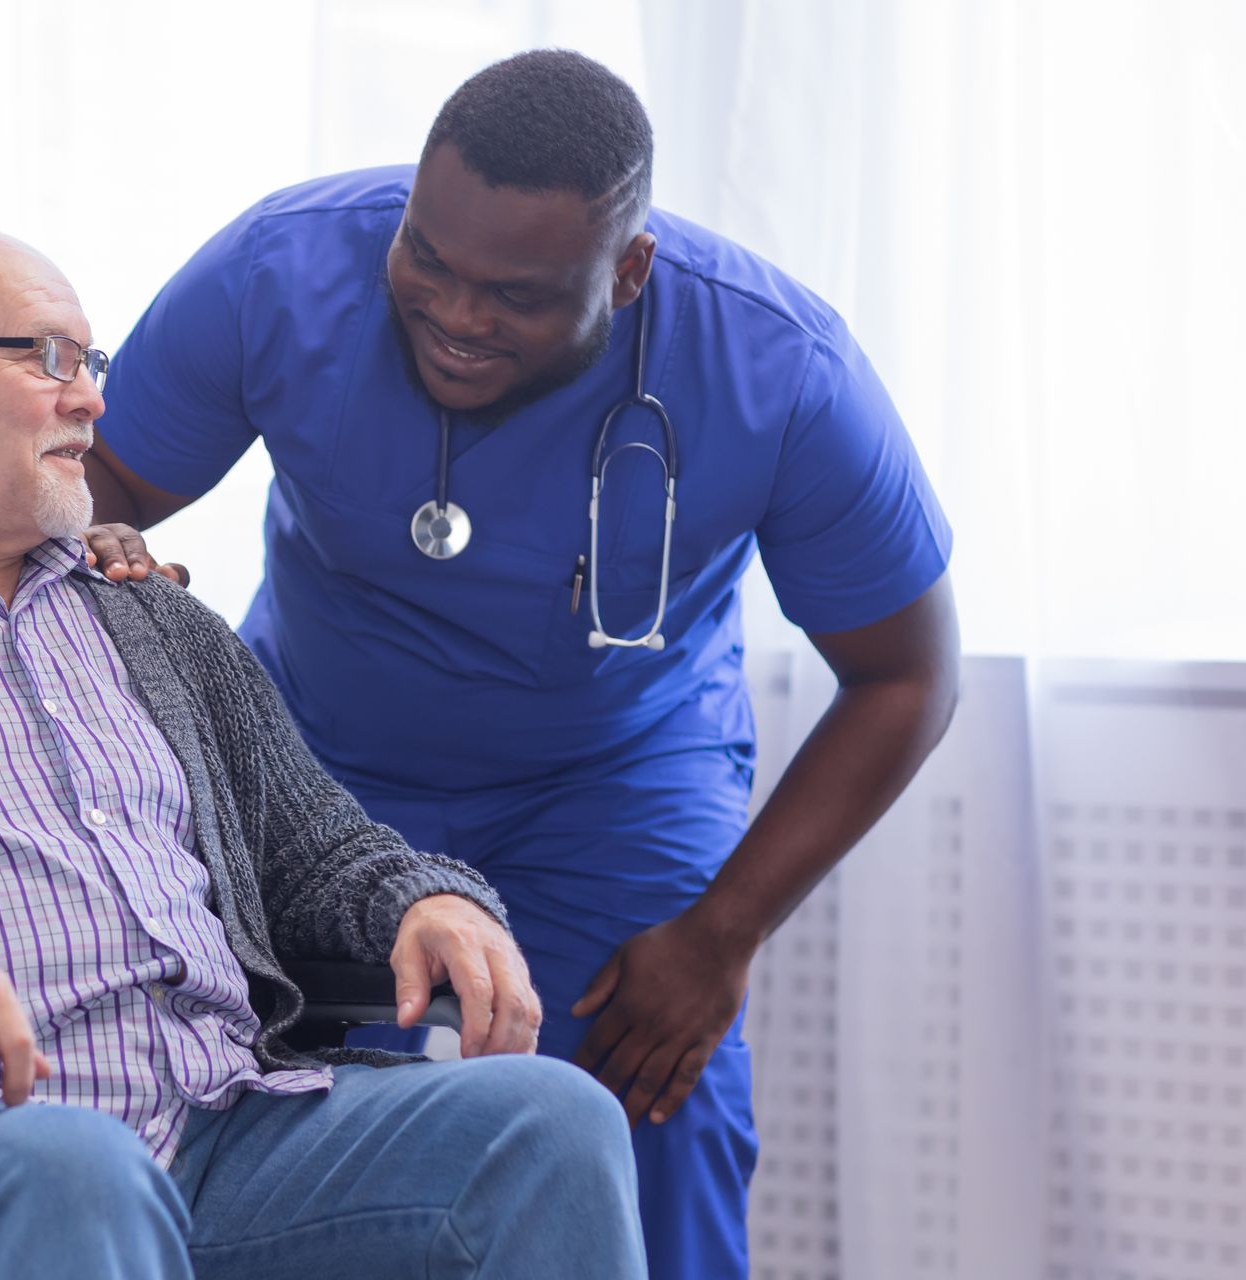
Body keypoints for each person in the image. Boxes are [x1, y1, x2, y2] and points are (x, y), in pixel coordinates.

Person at [0, 225, 646, 1280]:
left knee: (551, 1118)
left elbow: (317, 851)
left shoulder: (159, 622)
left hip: (242, 1125)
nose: (90, 396)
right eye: (47, 356)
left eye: (92, 361)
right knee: (80, 1169)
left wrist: (426, 900)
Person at [80, 49, 960, 1280]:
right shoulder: (280, 268)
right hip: (316, 768)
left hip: (609, 780)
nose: (455, 312)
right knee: (263, 1093)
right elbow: (100, 474)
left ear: (630, 269)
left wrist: (721, 935)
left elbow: (909, 674)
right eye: (427, 259)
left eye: (518, 293)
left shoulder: (780, 367)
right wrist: (98, 534)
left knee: (654, 1094)